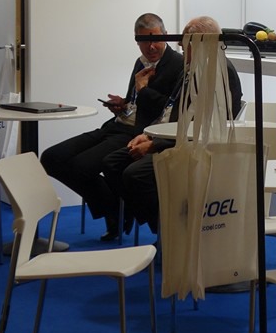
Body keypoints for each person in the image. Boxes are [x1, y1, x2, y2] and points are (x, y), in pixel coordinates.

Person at [39, 13, 183, 241]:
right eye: (144, 40)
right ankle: (117, 207)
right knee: (51, 157)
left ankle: (118, 213)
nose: (151, 46)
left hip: (137, 133)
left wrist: (144, 90)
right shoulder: (141, 61)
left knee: (81, 167)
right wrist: (123, 104)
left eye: (155, 39)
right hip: (118, 123)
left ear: (165, 35)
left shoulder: (178, 65)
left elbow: (170, 110)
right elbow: (136, 102)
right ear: (136, 40)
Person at [112, 15, 243, 235]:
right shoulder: (193, 67)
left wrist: (155, 144)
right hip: (175, 138)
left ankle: (172, 231)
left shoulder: (218, 71)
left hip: (198, 147)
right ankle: (166, 227)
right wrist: (150, 136)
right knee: (115, 162)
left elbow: (203, 126)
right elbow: (175, 113)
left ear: (201, 43)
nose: (181, 48)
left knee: (135, 175)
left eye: (185, 44)